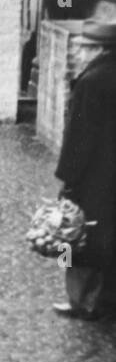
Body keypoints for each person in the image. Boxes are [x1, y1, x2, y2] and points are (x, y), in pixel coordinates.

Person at [53, 19, 116, 319]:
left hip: (94, 180)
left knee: (77, 238)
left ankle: (79, 301)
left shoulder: (90, 83)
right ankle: (105, 300)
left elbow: (79, 138)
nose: (77, 54)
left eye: (82, 49)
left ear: (99, 50)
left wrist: (69, 181)